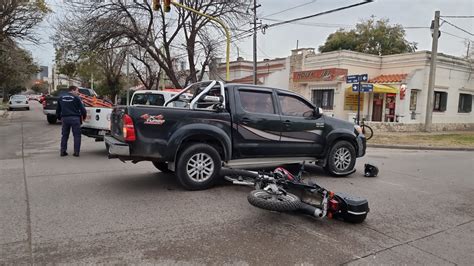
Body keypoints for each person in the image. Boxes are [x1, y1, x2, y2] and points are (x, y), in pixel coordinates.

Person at [56, 86, 87, 157]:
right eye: (77, 91)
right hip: (75, 119)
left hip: (65, 119)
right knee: (77, 136)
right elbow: (83, 109)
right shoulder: (77, 98)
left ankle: (63, 151)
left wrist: (59, 117)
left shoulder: (61, 98)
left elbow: (58, 109)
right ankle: (76, 152)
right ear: (72, 90)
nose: (77, 92)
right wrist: (84, 117)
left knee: (64, 135)